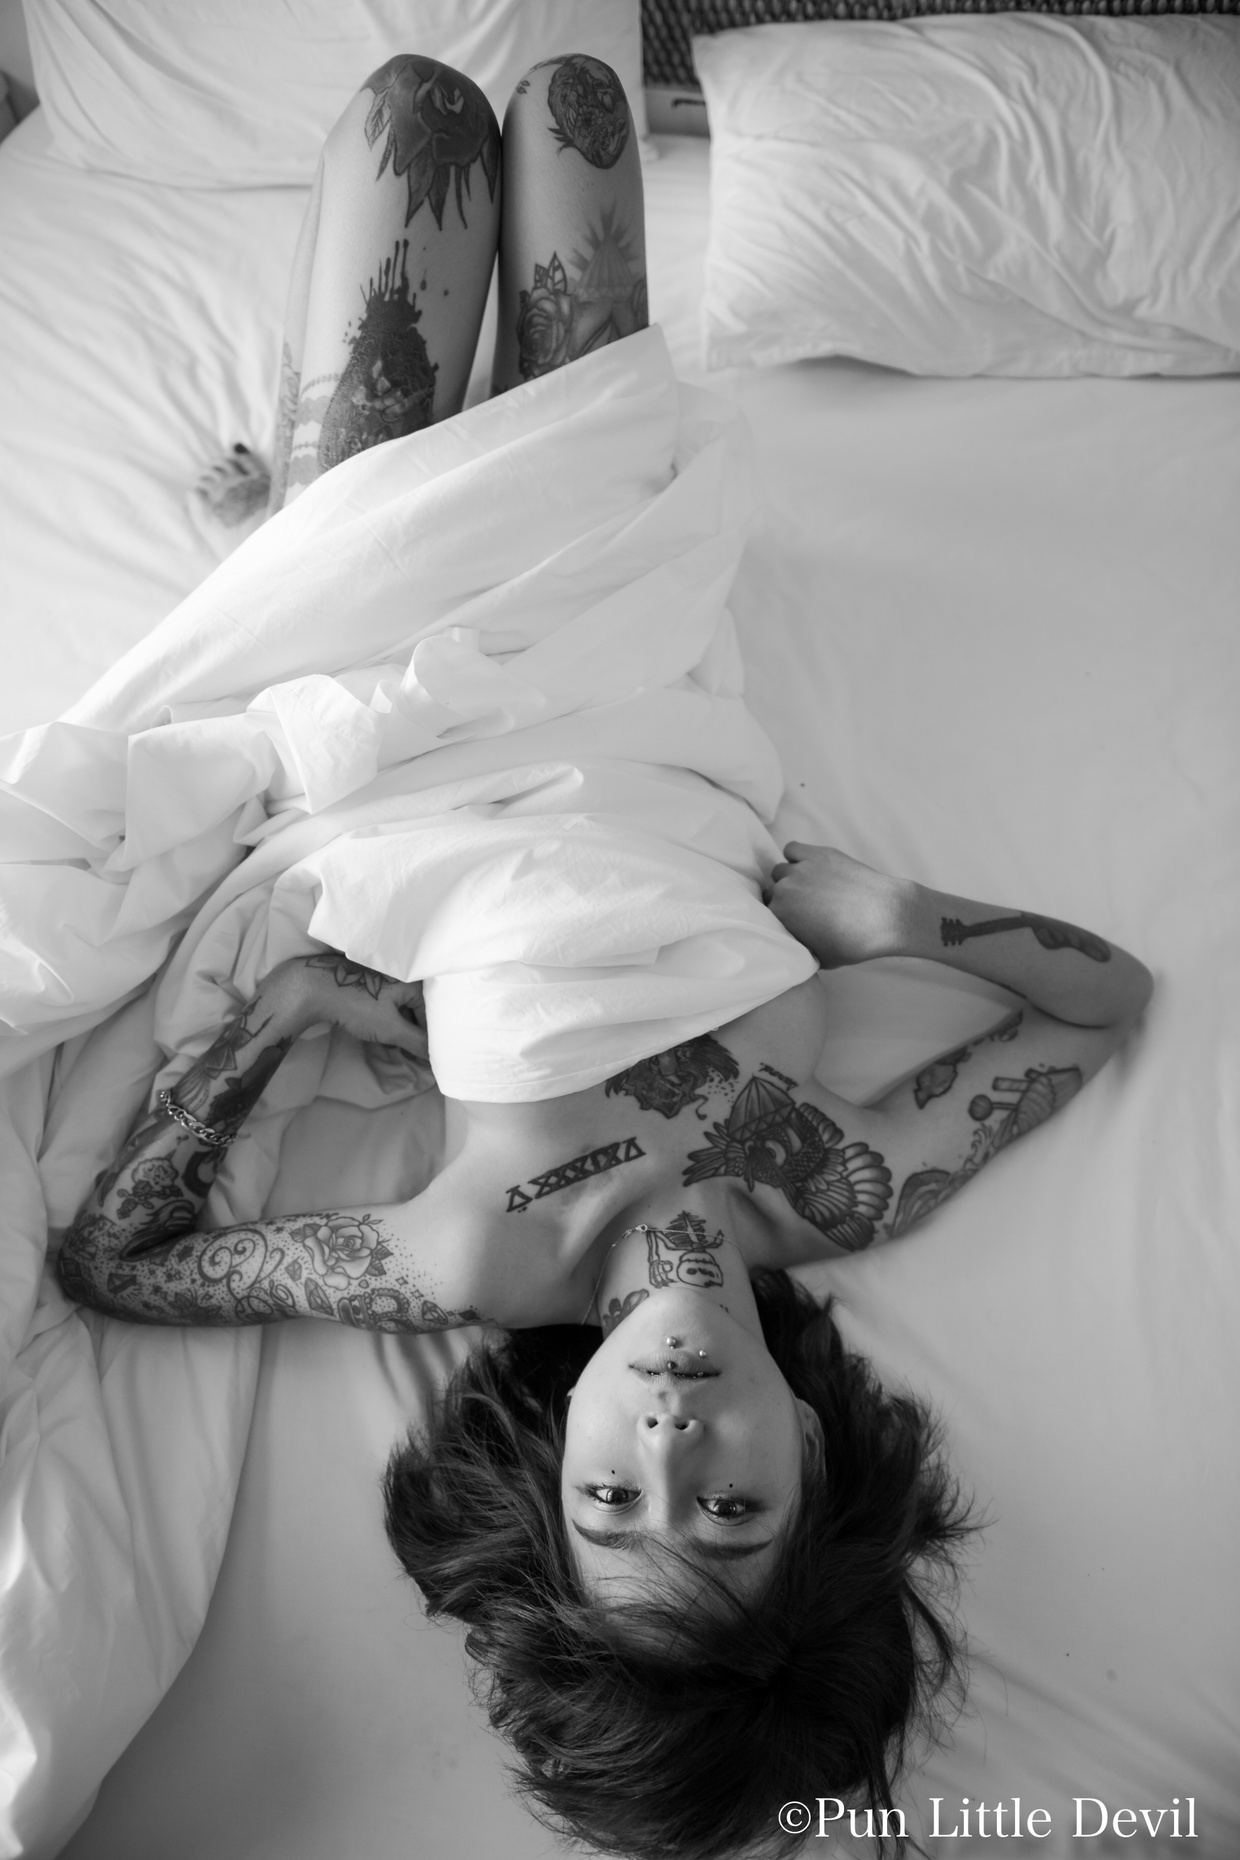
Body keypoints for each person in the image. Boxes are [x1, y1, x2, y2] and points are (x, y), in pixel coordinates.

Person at [56, 56, 1155, 1860]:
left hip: (404, 699)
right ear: (816, 1469)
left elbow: (115, 1265)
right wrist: (904, 923)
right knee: (576, 105)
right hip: (629, 660)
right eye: (728, 1514)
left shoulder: (474, 1254)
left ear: (556, 1468)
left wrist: (283, 1018)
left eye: (613, 1504)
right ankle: (315, 502)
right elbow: (1103, 1007)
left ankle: (300, 526)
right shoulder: (847, 1183)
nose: (670, 1442)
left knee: (414, 119)